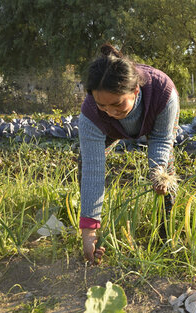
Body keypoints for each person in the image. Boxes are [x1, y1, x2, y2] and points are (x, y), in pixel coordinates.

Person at [78, 43, 179, 264]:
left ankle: (165, 237)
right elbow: (94, 171)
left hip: (152, 123)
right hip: (109, 132)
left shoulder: (163, 93)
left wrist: (158, 171)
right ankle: (95, 233)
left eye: (117, 104)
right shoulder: (91, 114)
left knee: (165, 176)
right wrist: (89, 230)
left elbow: (162, 138)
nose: (111, 112)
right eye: (102, 105)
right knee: (85, 165)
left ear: (135, 91)